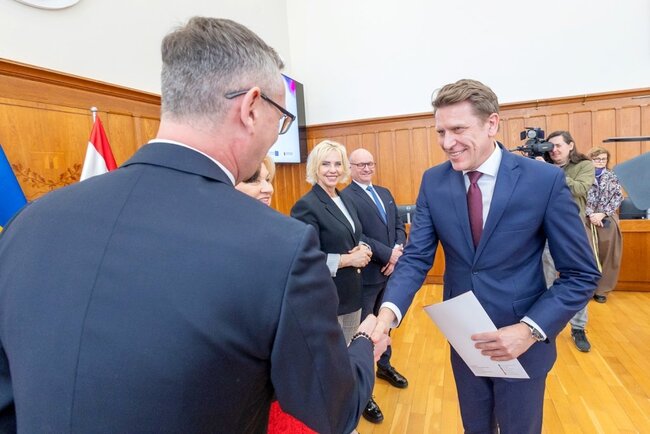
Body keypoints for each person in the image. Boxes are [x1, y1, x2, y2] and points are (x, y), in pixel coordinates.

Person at [0, 17, 389, 434]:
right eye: (280, 119)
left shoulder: (29, 223)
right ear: (250, 108)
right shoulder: (280, 247)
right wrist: (363, 345)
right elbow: (334, 410)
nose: (276, 136)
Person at [371, 79, 600, 434]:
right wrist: (385, 317)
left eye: (458, 129)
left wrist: (529, 330)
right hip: (466, 341)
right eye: (441, 131)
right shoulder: (433, 181)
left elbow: (581, 274)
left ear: (492, 124)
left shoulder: (543, 180)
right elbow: (416, 258)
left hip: (523, 343)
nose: (447, 142)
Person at [235, 156, 315, 434]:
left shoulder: (281, 238)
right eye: (253, 180)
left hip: (282, 384)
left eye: (268, 179)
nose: (268, 188)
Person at [341, 148, 408, 425]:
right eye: (361, 164)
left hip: (390, 273)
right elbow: (359, 234)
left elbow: (398, 226)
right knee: (365, 331)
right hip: (367, 274)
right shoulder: (346, 197)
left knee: (386, 323)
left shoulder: (384, 192)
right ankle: (364, 389)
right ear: (351, 167)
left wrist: (398, 252)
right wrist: (388, 255)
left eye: (370, 163)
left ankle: (384, 365)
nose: (367, 168)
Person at [291, 140, 373, 344]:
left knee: (350, 353)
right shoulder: (306, 206)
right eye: (325, 164)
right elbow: (304, 259)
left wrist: (363, 247)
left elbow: (353, 235)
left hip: (353, 296)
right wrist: (348, 260)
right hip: (327, 300)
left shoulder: (345, 199)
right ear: (315, 167)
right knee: (334, 358)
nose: (333, 170)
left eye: (337, 164)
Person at [545, 130, 596, 353]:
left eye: (558, 145)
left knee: (577, 279)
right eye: (550, 147)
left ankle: (578, 327)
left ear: (571, 145)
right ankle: (545, 322)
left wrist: (551, 173)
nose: (554, 150)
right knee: (545, 279)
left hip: (572, 231)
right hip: (545, 231)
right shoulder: (542, 167)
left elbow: (580, 188)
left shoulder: (584, 165)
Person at [585, 147, 624, 303]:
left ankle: (602, 289)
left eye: (603, 159)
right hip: (586, 217)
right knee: (587, 253)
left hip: (606, 217)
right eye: (597, 159)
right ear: (590, 160)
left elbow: (618, 197)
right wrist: (590, 214)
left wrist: (602, 213)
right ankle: (586, 288)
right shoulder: (584, 175)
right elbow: (578, 195)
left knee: (609, 254)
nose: (600, 161)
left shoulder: (613, 176)